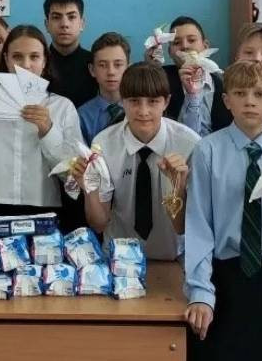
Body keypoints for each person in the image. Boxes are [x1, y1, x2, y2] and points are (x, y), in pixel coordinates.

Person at [183, 60, 262, 361]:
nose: (250, 101)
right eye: (240, 93)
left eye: (260, 94)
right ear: (226, 101)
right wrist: (200, 291)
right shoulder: (207, 150)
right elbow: (199, 224)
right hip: (226, 275)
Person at [78, 61, 197, 260]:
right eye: (134, 101)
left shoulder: (189, 144)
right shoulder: (103, 144)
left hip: (173, 256)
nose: (143, 111)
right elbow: (99, 224)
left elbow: (182, 228)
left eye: (153, 101)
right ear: (122, 101)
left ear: (166, 102)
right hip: (118, 256)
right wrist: (88, 188)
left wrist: (178, 186)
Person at [0, 25, 82, 231]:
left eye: (34, 57)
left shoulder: (62, 106)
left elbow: (73, 175)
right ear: (6, 59)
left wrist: (48, 130)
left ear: (44, 61)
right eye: (17, 56)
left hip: (44, 208)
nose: (26, 65)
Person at [181, 23, 262, 151]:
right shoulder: (212, 100)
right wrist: (192, 95)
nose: (257, 59)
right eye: (249, 52)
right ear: (237, 59)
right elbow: (193, 143)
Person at [43, 0, 98, 107]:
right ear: (47, 25)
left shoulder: (96, 64)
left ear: (82, 24)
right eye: (56, 17)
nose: (64, 24)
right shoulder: (37, 64)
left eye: (71, 17)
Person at [77, 32, 130, 144]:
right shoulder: (82, 116)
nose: (111, 72)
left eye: (118, 65)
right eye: (102, 65)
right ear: (92, 70)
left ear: (128, 68)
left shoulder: (140, 109)